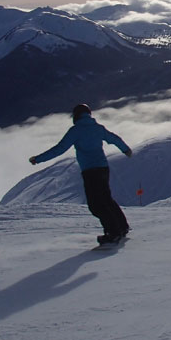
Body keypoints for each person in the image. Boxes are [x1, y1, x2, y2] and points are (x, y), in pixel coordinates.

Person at [29, 104, 133, 244]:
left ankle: (113, 232)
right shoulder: (98, 128)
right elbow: (115, 139)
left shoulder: (75, 131)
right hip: (103, 168)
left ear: (76, 116)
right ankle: (121, 227)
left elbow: (60, 149)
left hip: (90, 171)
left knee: (96, 205)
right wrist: (126, 150)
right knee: (106, 199)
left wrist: (38, 159)